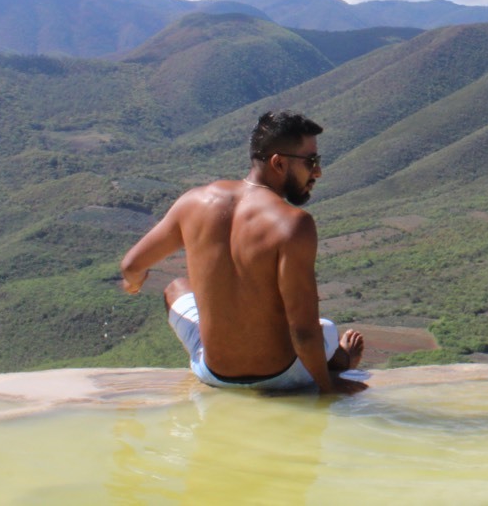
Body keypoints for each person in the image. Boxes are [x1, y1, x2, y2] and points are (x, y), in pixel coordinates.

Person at [121, 110, 367, 395]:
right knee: (325, 328)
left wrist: (134, 284)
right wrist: (327, 388)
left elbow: (131, 265)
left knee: (176, 288)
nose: (317, 172)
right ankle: (344, 359)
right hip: (282, 375)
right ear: (278, 163)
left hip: (213, 374)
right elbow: (303, 331)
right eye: (311, 161)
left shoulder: (192, 203)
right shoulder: (292, 224)